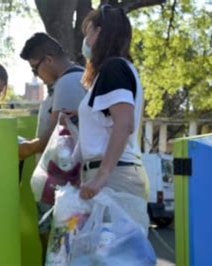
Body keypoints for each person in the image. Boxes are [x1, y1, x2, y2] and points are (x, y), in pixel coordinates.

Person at [74, 5, 150, 224]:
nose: (85, 40)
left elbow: (123, 123)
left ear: (99, 32)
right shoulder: (116, 69)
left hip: (114, 178)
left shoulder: (113, 68)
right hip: (114, 176)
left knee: (114, 256)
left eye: (87, 32)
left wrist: (101, 176)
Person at [18, 32, 86, 256]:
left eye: (34, 68)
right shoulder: (68, 81)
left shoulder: (68, 82)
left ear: (48, 59)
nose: (36, 75)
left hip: (61, 188)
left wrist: (27, 148)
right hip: (60, 187)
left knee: (56, 252)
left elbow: (58, 136)